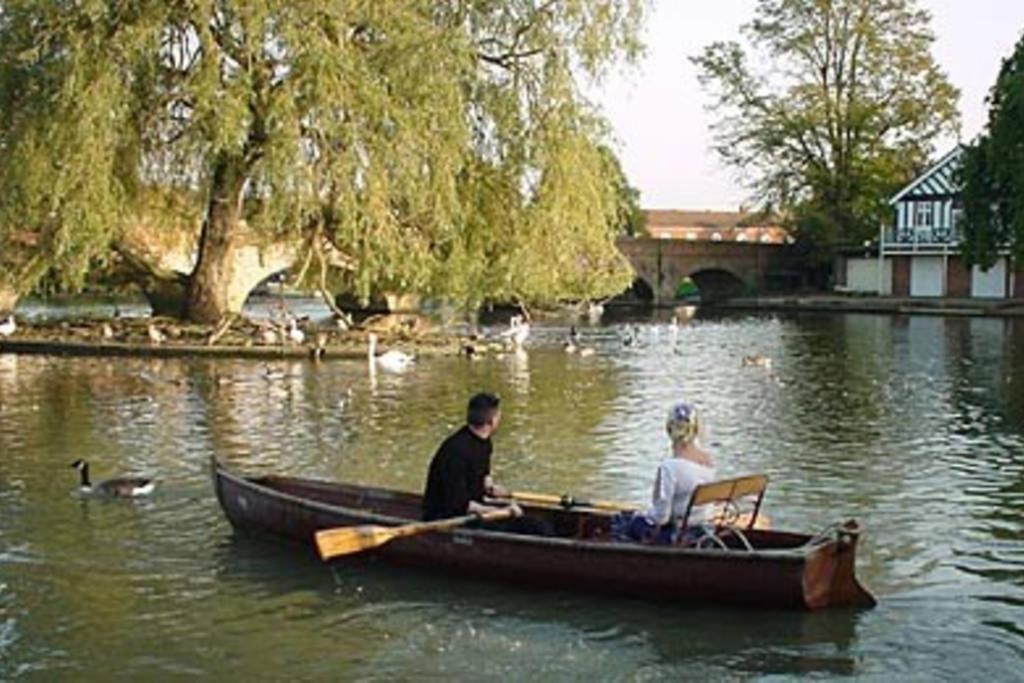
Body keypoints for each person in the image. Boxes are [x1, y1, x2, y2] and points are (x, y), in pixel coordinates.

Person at [612, 401, 717, 545]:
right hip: (704, 532)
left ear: (669, 430)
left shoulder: (670, 467)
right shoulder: (708, 461)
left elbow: (662, 517)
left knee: (622, 520)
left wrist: (643, 514)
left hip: (678, 536)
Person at [422, 392, 523, 522]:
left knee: (535, 524)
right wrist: (502, 511)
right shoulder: (455, 451)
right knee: (532, 527)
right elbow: (460, 503)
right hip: (449, 516)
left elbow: (484, 480)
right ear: (492, 421)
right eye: (498, 415)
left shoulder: (485, 442)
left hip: (473, 511)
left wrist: (494, 490)